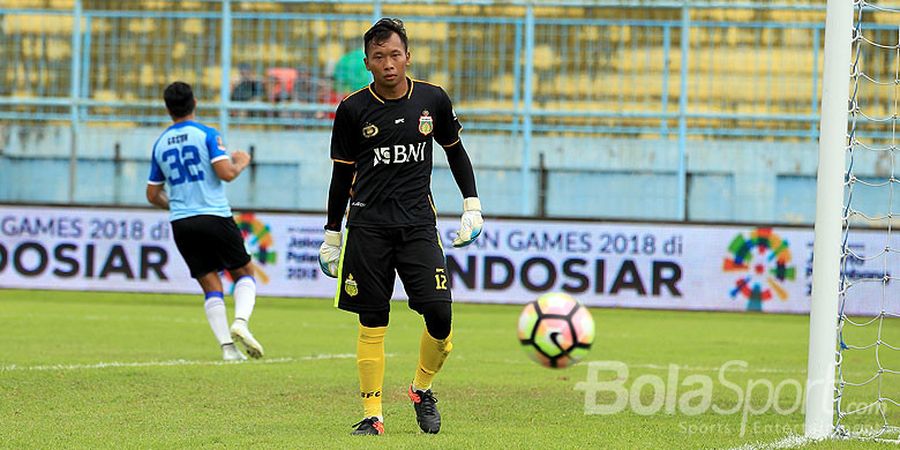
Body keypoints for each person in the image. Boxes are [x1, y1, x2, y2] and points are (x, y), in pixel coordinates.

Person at [318, 18, 483, 436]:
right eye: (379, 57)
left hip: (417, 224)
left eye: (395, 54)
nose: (388, 63)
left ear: (408, 56)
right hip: (368, 225)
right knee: (372, 321)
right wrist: (332, 234)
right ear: (367, 63)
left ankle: (421, 389)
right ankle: (373, 416)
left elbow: (455, 152)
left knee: (440, 314)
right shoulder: (353, 109)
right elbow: (341, 177)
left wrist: (472, 205)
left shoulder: (433, 100)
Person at [146, 81, 265, 362]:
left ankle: (227, 349)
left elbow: (152, 194)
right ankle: (241, 323)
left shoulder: (160, 144)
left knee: (210, 285)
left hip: (181, 223)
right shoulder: (207, 134)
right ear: (195, 103)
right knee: (245, 272)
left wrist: (175, 204)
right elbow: (225, 173)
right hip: (213, 215)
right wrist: (241, 162)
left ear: (167, 109)